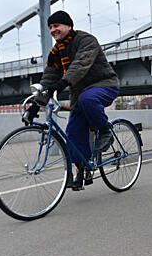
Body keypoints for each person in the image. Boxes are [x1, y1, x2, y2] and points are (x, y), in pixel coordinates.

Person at [37, 10, 120, 189]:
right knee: (73, 134)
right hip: (79, 94)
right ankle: (82, 170)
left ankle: (105, 131)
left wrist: (63, 82)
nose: (53, 30)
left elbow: (81, 64)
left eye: (56, 25)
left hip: (104, 84)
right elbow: (49, 76)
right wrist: (37, 101)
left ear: (68, 26)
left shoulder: (86, 40)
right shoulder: (56, 51)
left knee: (87, 99)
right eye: (50, 27)